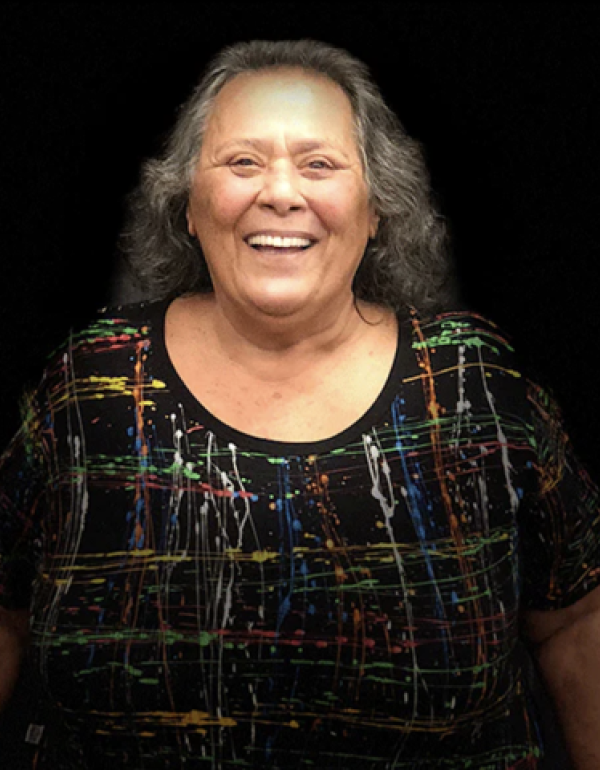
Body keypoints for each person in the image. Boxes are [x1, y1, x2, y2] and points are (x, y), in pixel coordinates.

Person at [0, 38, 599, 770]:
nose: (280, 193)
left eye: (319, 164)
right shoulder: (91, 382)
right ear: (188, 203)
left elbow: (577, 620)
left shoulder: (475, 383)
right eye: (243, 162)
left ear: (378, 207)